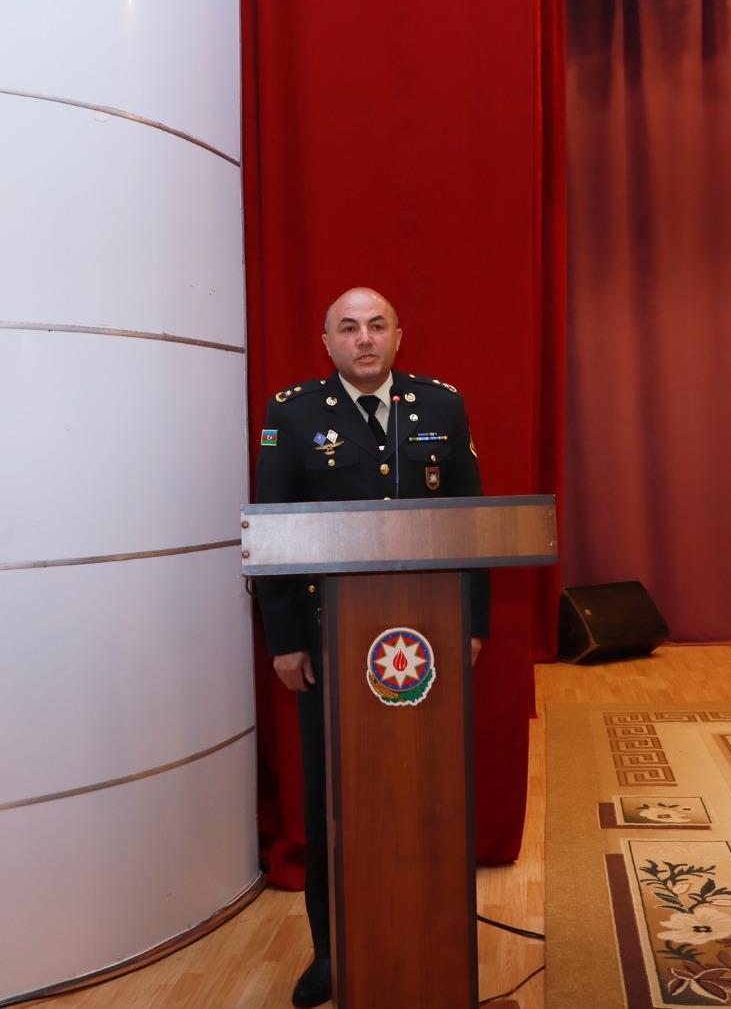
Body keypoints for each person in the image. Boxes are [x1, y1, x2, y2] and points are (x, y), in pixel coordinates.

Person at [252, 286, 489, 1008]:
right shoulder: (293, 414)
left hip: (429, 640)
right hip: (328, 641)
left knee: (427, 789)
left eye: (376, 325)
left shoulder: (440, 406)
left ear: (397, 336)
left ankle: (429, 935)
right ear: (327, 342)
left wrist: (473, 623)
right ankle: (332, 953)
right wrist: (285, 641)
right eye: (349, 328)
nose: (364, 338)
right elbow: (273, 531)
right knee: (333, 800)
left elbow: (473, 522)